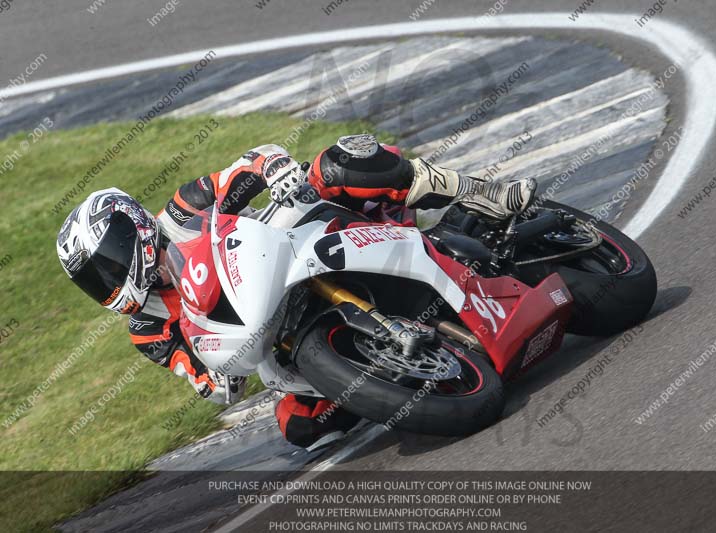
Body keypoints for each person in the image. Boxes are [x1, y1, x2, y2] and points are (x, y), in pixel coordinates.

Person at [56, 134, 536, 448]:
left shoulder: (182, 213)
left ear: (132, 226)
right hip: (275, 332)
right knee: (297, 425)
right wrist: (214, 382)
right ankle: (393, 370)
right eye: (94, 279)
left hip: (299, 241)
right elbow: (197, 373)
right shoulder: (146, 328)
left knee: (338, 163)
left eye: (108, 263)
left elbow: (246, 167)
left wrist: (275, 170)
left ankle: (482, 194)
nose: (111, 279)